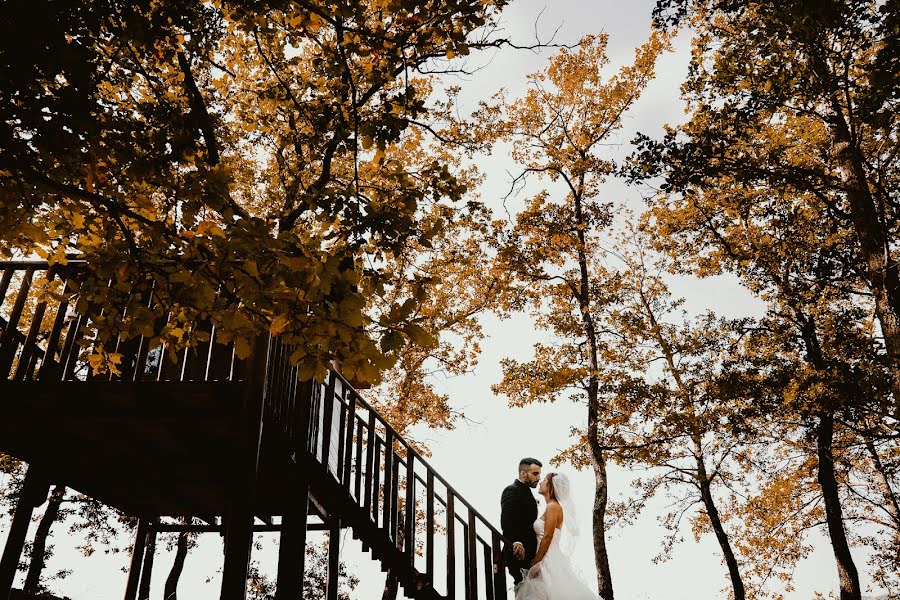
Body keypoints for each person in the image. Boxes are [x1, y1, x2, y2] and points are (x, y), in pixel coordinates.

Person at [514, 472, 598, 600]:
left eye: (544, 481)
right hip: (549, 556)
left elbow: (547, 537)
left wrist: (536, 562)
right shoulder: (551, 506)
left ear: (550, 487)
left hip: (548, 558)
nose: (541, 482)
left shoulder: (553, 507)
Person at [500, 458, 542, 585]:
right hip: (518, 553)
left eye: (539, 474)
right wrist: (516, 542)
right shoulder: (512, 490)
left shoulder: (526, 491)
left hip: (530, 554)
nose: (539, 478)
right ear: (523, 473)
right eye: (535, 474)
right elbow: (507, 519)